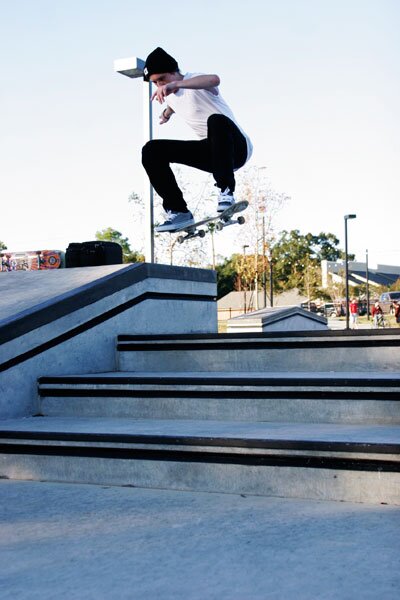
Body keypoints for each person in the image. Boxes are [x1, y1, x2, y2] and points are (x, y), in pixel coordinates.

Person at [141, 47, 253, 232]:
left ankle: (226, 192)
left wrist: (175, 85)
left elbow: (214, 80)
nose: (160, 86)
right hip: (214, 155)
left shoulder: (193, 79)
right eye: (155, 83)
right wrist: (167, 113)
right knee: (151, 150)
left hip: (237, 148)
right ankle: (178, 211)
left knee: (215, 120)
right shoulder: (170, 96)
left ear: (174, 71)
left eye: (162, 79)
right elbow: (177, 104)